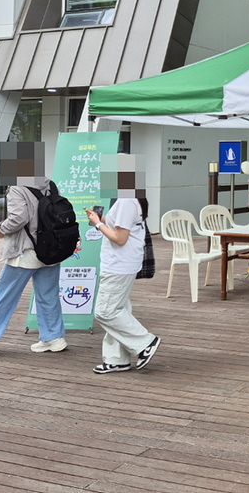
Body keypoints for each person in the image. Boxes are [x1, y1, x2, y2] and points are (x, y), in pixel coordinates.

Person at [0, 141, 66, 356]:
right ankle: (53, 338)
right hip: (50, 250)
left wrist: (0, 228)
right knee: (48, 295)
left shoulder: (17, 187)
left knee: (5, 295)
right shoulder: (50, 184)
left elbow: (19, 218)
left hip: (25, 250)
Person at [85, 154, 160, 374]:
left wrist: (98, 224)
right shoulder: (128, 198)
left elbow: (120, 238)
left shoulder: (127, 200)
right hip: (122, 262)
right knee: (118, 309)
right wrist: (102, 219)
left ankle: (145, 342)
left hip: (119, 263)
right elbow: (120, 227)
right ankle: (117, 358)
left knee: (105, 312)